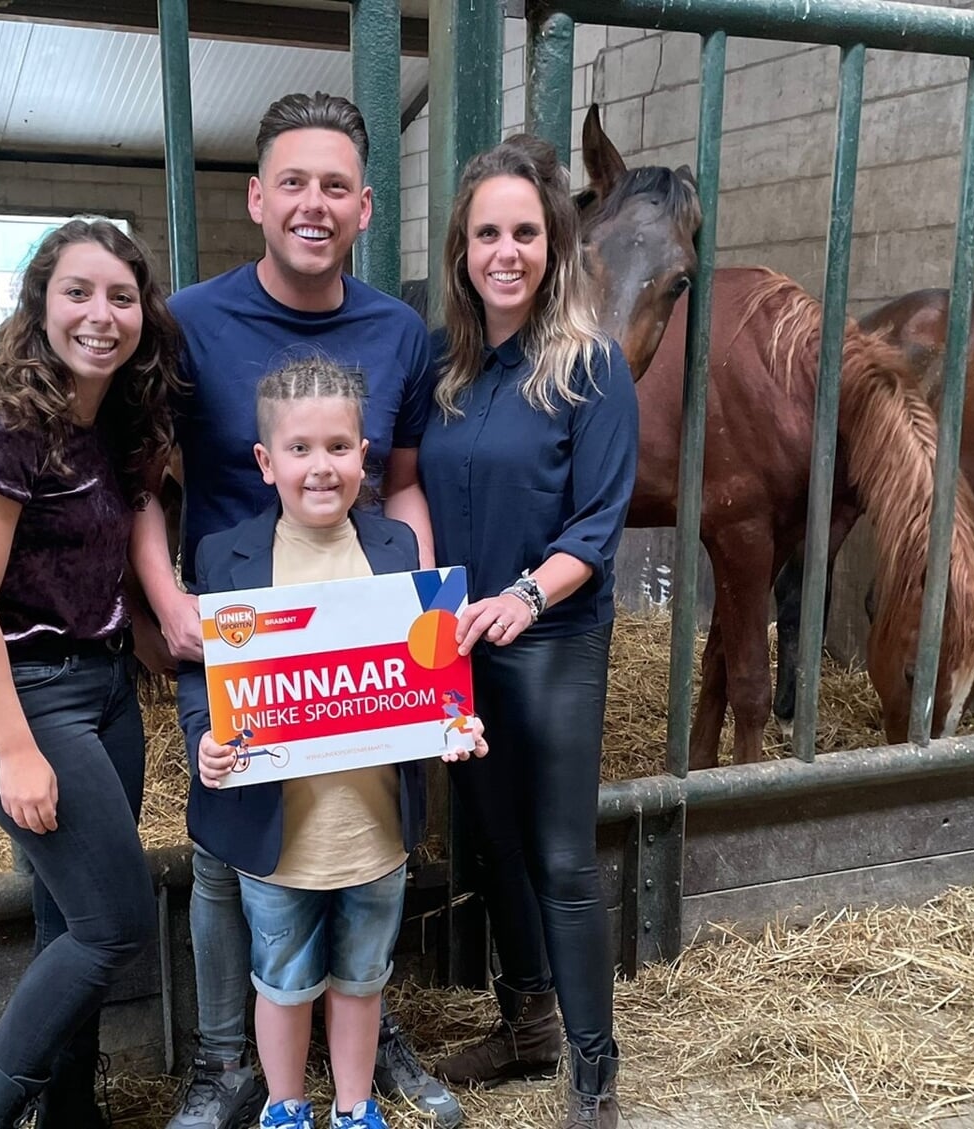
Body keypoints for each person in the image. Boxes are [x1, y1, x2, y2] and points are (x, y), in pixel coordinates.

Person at [132, 91, 461, 1129]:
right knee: (241, 859)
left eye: (333, 186)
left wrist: (425, 629)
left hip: (352, 630)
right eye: (292, 182)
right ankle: (231, 1070)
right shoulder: (188, 321)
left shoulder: (398, 331)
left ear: (363, 207)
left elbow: (401, 482)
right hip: (238, 623)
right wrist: (166, 599)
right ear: (256, 198)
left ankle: (364, 1051)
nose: (311, 204)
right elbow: (146, 476)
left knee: (357, 849)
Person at [0, 219, 183, 1129]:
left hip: (106, 691)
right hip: (31, 700)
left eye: (120, 296)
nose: (100, 315)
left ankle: (69, 1114)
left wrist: (154, 636)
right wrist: (16, 751)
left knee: (69, 924)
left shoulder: (107, 424)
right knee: (115, 925)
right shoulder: (4, 427)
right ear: (40, 305)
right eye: (78, 292)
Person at [178, 359, 484, 1129]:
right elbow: (200, 678)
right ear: (265, 461)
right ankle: (285, 1108)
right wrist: (204, 739)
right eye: (301, 449)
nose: (322, 467)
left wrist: (455, 721)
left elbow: (427, 670)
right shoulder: (225, 557)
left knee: (361, 977)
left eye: (340, 447)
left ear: (365, 453)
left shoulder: (395, 547)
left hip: (374, 829)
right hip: (276, 838)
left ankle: (354, 1107)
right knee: (279, 979)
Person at [417, 136, 639, 1129]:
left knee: (558, 856)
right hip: (457, 644)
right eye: (484, 234)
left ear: (551, 244)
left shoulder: (587, 365)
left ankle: (592, 1069)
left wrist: (524, 597)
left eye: (523, 232)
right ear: (461, 249)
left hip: (545, 640)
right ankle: (523, 1028)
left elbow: (596, 523)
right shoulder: (451, 368)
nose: (503, 251)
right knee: (492, 845)